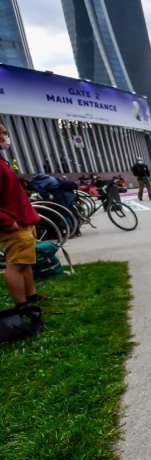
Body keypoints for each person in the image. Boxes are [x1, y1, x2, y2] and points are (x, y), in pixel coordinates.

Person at [0, 122, 44, 333]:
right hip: (13, 223)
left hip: (23, 220)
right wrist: (7, 221)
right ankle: (22, 305)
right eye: (1, 133)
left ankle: (31, 296)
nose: (5, 137)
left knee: (25, 262)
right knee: (16, 264)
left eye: (5, 132)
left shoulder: (2, 161)